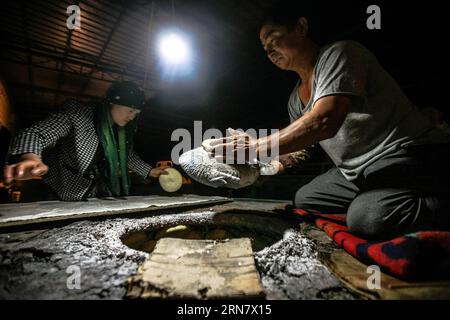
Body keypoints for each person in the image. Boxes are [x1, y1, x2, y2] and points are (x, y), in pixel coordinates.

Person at [207, 3, 450, 239]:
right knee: (306, 199)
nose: (269, 50)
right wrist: (261, 167)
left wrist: (254, 148)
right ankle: (381, 198)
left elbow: (324, 121)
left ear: (300, 28)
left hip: (404, 153)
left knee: (367, 219)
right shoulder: (295, 99)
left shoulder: (341, 53)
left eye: (273, 38)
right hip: (355, 172)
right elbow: (304, 148)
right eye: (265, 47)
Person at [3, 81, 168, 201]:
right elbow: (37, 133)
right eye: (130, 110)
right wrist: (30, 156)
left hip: (95, 192)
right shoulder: (78, 114)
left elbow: (129, 157)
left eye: (136, 113)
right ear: (112, 103)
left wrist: (150, 171)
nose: (132, 117)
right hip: (61, 188)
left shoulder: (122, 131)